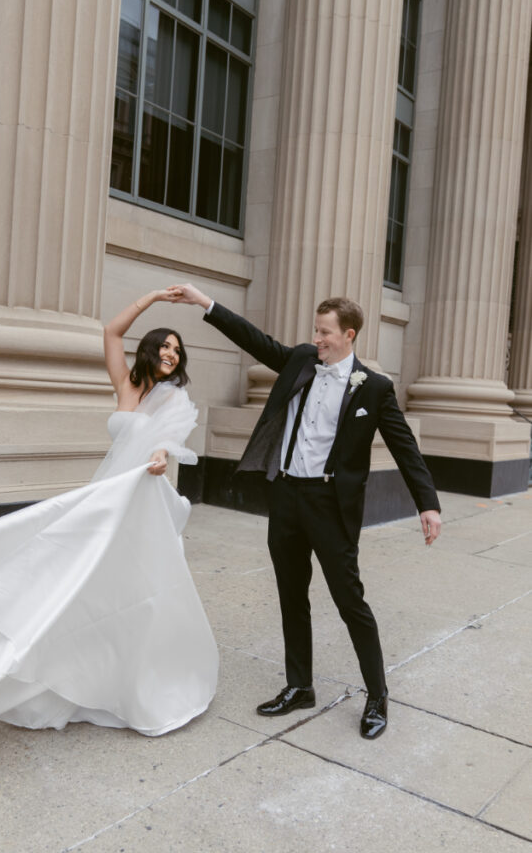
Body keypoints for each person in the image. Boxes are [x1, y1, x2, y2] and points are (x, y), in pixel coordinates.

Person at [0, 289, 218, 735]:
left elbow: (166, 441)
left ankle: (133, 678)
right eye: (165, 345)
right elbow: (112, 330)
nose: (172, 353)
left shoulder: (174, 397)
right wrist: (151, 297)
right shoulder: (127, 385)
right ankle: (66, 667)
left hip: (141, 496)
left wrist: (158, 457)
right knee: (78, 580)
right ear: (149, 350)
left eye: (178, 349)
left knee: (131, 587)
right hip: (107, 493)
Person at [172, 283, 441, 739]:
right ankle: (300, 686)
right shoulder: (300, 361)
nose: (317, 338)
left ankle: (377, 695)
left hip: (331, 507)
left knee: (349, 602)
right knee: (291, 596)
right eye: (316, 330)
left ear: (349, 334)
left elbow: (405, 448)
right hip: (288, 499)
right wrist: (205, 304)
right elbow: (254, 339)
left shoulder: (372, 388)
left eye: (325, 332)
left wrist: (427, 504)